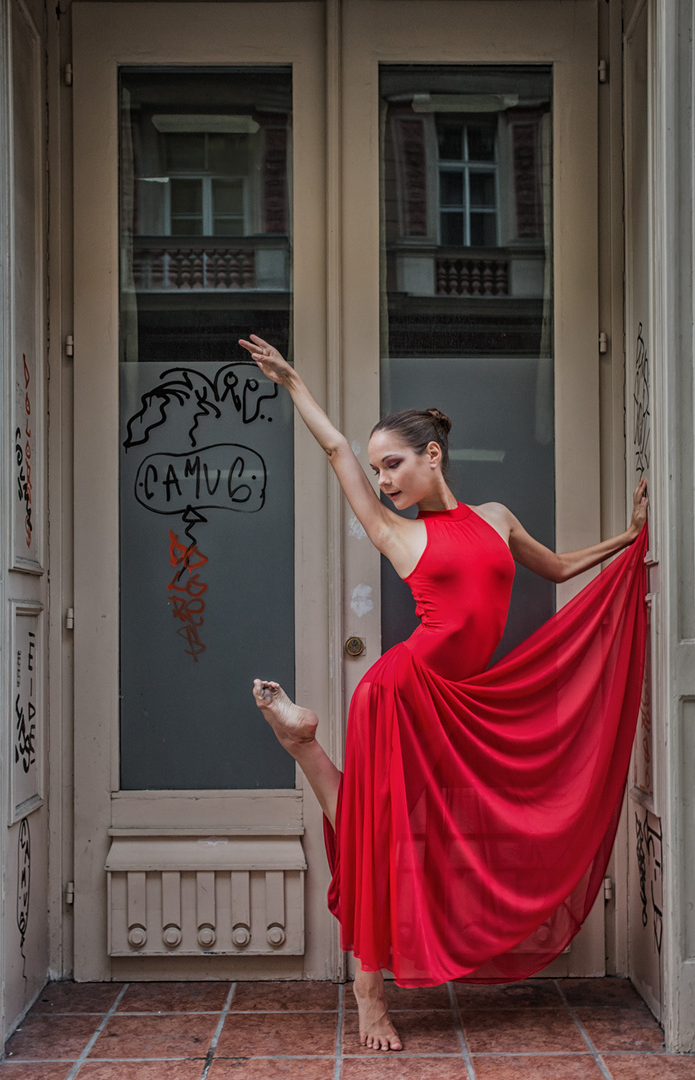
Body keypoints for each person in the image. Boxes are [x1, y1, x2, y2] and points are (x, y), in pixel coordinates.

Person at [238, 332, 649, 1052]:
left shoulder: (495, 519)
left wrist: (630, 540)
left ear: (433, 455)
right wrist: (293, 383)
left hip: (465, 703)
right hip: (401, 692)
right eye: (378, 469)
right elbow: (336, 452)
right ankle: (370, 1002)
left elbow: (555, 569)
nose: (385, 479)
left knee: (390, 828)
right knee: (379, 841)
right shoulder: (397, 534)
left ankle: (303, 743)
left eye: (394, 463)